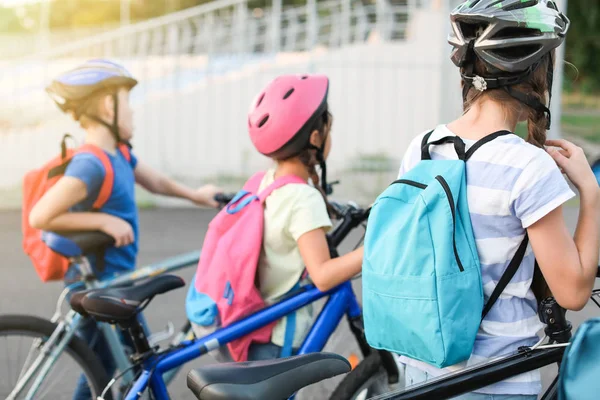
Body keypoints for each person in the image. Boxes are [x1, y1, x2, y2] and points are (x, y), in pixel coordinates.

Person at [397, 1, 599, 398]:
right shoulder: (527, 166)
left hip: (421, 372)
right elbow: (573, 293)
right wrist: (590, 194)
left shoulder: (423, 147)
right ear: (539, 72)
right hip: (492, 380)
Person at [28, 59, 222, 399]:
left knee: (101, 371)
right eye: (127, 102)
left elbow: (157, 182)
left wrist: (197, 196)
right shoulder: (91, 163)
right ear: (108, 105)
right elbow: (40, 216)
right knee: (132, 368)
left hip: (115, 281)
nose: (133, 112)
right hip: (102, 286)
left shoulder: (119, 153)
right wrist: (101, 220)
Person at [191, 74, 364, 360]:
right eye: (328, 130)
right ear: (315, 137)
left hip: (242, 325)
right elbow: (322, 276)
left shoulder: (265, 181)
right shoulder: (303, 199)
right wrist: (377, 249)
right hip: (274, 340)